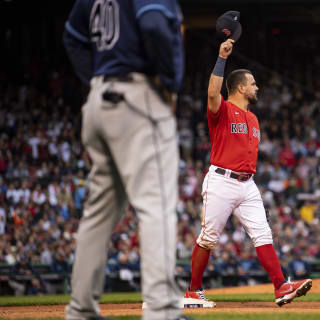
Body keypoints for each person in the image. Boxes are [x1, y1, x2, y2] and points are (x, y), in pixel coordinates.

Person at [63, 0, 191, 319]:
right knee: (156, 204)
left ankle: (80, 310)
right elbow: (152, 24)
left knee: (99, 210)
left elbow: (73, 37)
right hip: (137, 96)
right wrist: (170, 82)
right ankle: (162, 309)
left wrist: (94, 80)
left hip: (98, 102)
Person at [184, 39, 312, 307]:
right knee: (208, 238)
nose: (257, 87)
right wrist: (221, 58)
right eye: (253, 83)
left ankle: (280, 287)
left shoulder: (253, 118)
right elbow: (211, 93)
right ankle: (193, 292)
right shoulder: (222, 110)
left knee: (263, 234)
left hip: (247, 184)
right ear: (241, 87)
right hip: (221, 180)